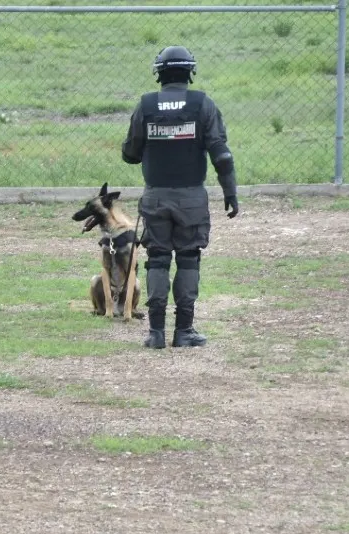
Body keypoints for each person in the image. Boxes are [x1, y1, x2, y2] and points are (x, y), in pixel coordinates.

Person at [122, 45, 238, 349]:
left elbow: (130, 154)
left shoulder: (146, 105)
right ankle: (184, 330)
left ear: (159, 73)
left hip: (156, 198)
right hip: (192, 199)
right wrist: (231, 192)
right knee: (188, 259)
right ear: (190, 72)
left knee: (157, 259)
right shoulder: (203, 104)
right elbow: (222, 156)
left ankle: (156, 332)